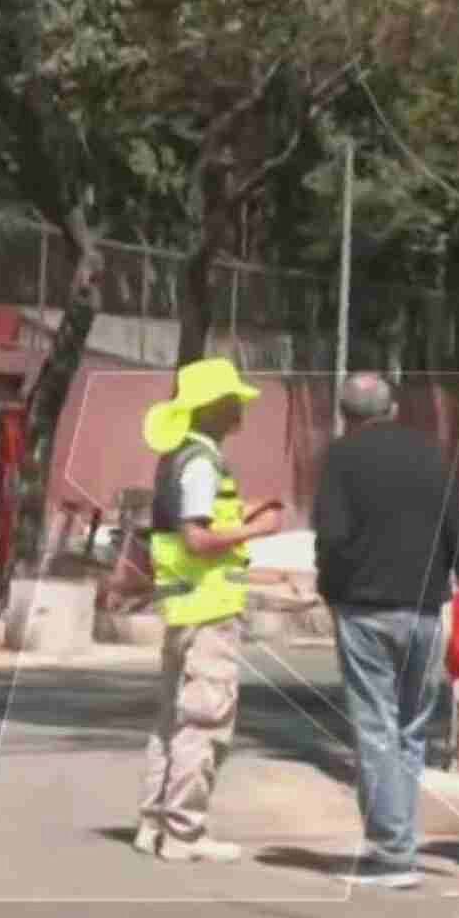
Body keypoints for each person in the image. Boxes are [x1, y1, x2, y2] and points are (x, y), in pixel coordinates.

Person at [313, 371, 459, 889]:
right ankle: (398, 842)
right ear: (392, 408)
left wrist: (332, 588)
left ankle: (392, 852)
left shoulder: (343, 458)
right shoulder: (430, 456)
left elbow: (333, 537)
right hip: (424, 614)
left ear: (348, 414)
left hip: (365, 612)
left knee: (375, 727)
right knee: (410, 731)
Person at [131, 358, 284, 863]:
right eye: (233, 398)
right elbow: (197, 539)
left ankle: (154, 824)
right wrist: (254, 531)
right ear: (215, 407)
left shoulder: (184, 457)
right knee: (204, 719)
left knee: (172, 721)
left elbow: (195, 522)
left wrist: (242, 511)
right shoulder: (200, 463)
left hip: (185, 607)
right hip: (207, 607)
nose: (241, 406)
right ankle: (183, 833)